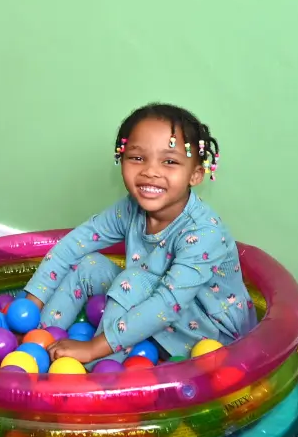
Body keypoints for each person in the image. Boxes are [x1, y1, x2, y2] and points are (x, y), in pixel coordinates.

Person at [21, 103, 257, 366]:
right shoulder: (131, 208)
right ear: (121, 160)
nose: (150, 171)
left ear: (196, 174)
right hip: (147, 309)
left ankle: (92, 373)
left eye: (169, 161)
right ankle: (36, 341)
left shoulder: (205, 231)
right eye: (137, 158)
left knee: (134, 279)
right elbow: (72, 246)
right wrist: (29, 309)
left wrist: (91, 348)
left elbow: (168, 303)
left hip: (210, 336)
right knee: (89, 264)